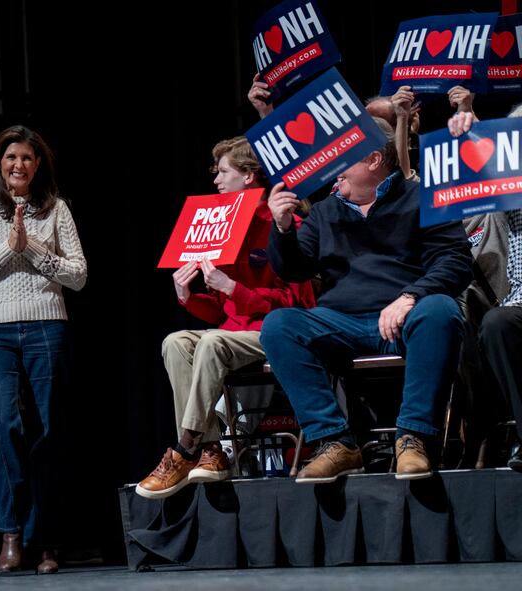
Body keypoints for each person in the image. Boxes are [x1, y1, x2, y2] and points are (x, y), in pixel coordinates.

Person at [260, 118, 473, 484]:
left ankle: (413, 439)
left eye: (341, 159)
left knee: (440, 310)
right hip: (340, 321)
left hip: (404, 317)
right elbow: (293, 270)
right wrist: (282, 228)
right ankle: (334, 442)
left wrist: (411, 296)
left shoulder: (423, 197)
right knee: (280, 326)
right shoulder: (327, 211)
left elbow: (456, 260)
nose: (332, 170)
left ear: (374, 159)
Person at [135, 137, 315, 499]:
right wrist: (189, 297)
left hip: (276, 332)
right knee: (175, 342)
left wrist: (234, 288)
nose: (216, 180)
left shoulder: (282, 222)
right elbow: (220, 312)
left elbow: (299, 301)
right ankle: (211, 450)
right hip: (234, 334)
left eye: (224, 172)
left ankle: (186, 446)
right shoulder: (223, 224)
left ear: (249, 177)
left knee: (214, 341)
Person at [0, 125, 87, 573]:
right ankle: (10, 532)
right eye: (11, 158)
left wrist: (36, 251)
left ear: (38, 164)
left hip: (48, 324)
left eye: (27, 158)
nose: (19, 165)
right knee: (1, 422)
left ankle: (45, 539)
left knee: (49, 429)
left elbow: (79, 275)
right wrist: (5, 252)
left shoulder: (56, 209)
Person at [449, 106, 522, 471]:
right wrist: (472, 135)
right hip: (517, 304)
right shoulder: (506, 200)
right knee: (495, 324)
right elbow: (479, 174)